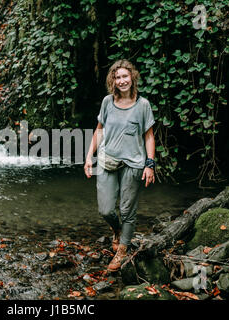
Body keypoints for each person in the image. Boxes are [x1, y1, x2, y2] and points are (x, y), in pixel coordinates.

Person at [84, 59, 156, 272]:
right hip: (108, 160)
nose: (122, 81)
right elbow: (99, 130)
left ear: (132, 77)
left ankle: (122, 250)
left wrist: (149, 164)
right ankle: (117, 230)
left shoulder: (143, 105)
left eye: (125, 76)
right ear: (113, 81)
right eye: (118, 77)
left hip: (133, 163)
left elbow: (149, 137)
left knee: (127, 210)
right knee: (106, 209)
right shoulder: (107, 102)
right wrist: (89, 156)